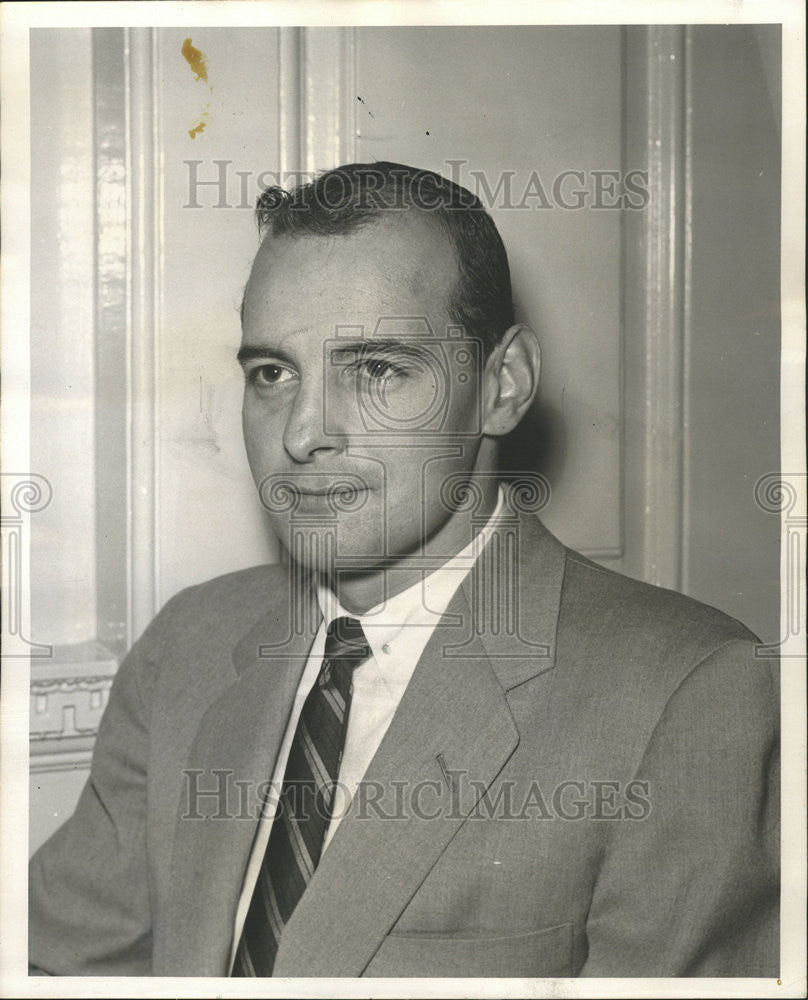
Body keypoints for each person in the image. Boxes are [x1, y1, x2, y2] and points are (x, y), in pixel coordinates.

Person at [28, 162, 779, 979]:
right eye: (272, 374)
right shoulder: (190, 641)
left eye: (376, 370)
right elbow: (59, 963)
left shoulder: (688, 693)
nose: (304, 433)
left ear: (503, 385)